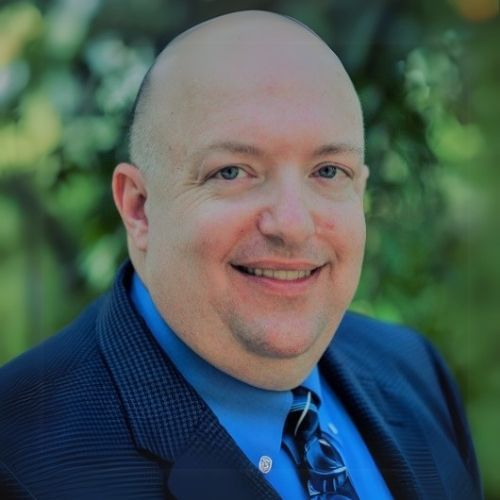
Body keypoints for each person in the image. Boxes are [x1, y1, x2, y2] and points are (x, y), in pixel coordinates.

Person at [0, 10, 482, 500]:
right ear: (139, 208)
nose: (293, 225)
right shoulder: (17, 461)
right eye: (232, 172)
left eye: (329, 171)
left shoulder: (415, 371)